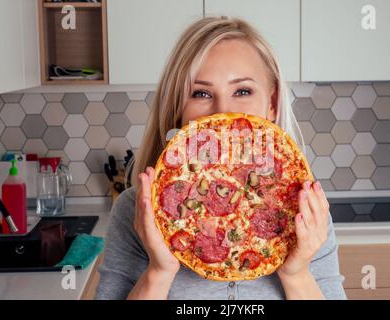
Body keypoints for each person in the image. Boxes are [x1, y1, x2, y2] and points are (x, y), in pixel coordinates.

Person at [96, 16, 346, 300]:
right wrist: (159, 272)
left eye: (242, 91)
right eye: (201, 93)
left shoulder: (306, 211)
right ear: (178, 107)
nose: (222, 112)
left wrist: (296, 274)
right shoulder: (135, 211)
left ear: (272, 104)